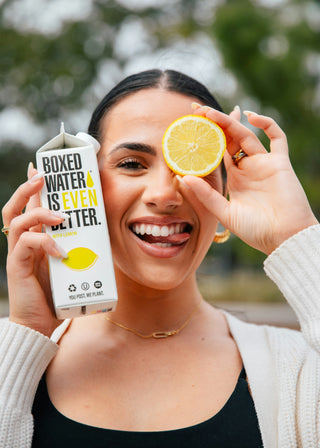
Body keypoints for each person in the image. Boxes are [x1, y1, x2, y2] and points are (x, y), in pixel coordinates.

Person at [0, 68, 319, 448]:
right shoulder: (13, 353)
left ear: (224, 190)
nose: (164, 195)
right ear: (87, 180)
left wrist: (298, 236)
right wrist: (26, 336)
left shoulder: (296, 368)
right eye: (132, 163)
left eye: (191, 164)